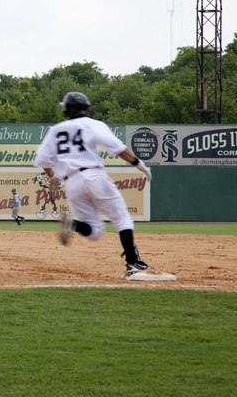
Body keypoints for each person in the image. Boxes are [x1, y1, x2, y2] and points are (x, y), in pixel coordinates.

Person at [34, 92, 153, 275]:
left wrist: (53, 177)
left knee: (95, 232)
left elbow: (43, 161)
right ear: (86, 108)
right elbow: (118, 148)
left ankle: (73, 224)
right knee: (122, 218)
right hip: (93, 175)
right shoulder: (94, 124)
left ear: (66, 110)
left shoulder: (56, 130)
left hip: (71, 183)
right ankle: (132, 262)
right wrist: (139, 164)